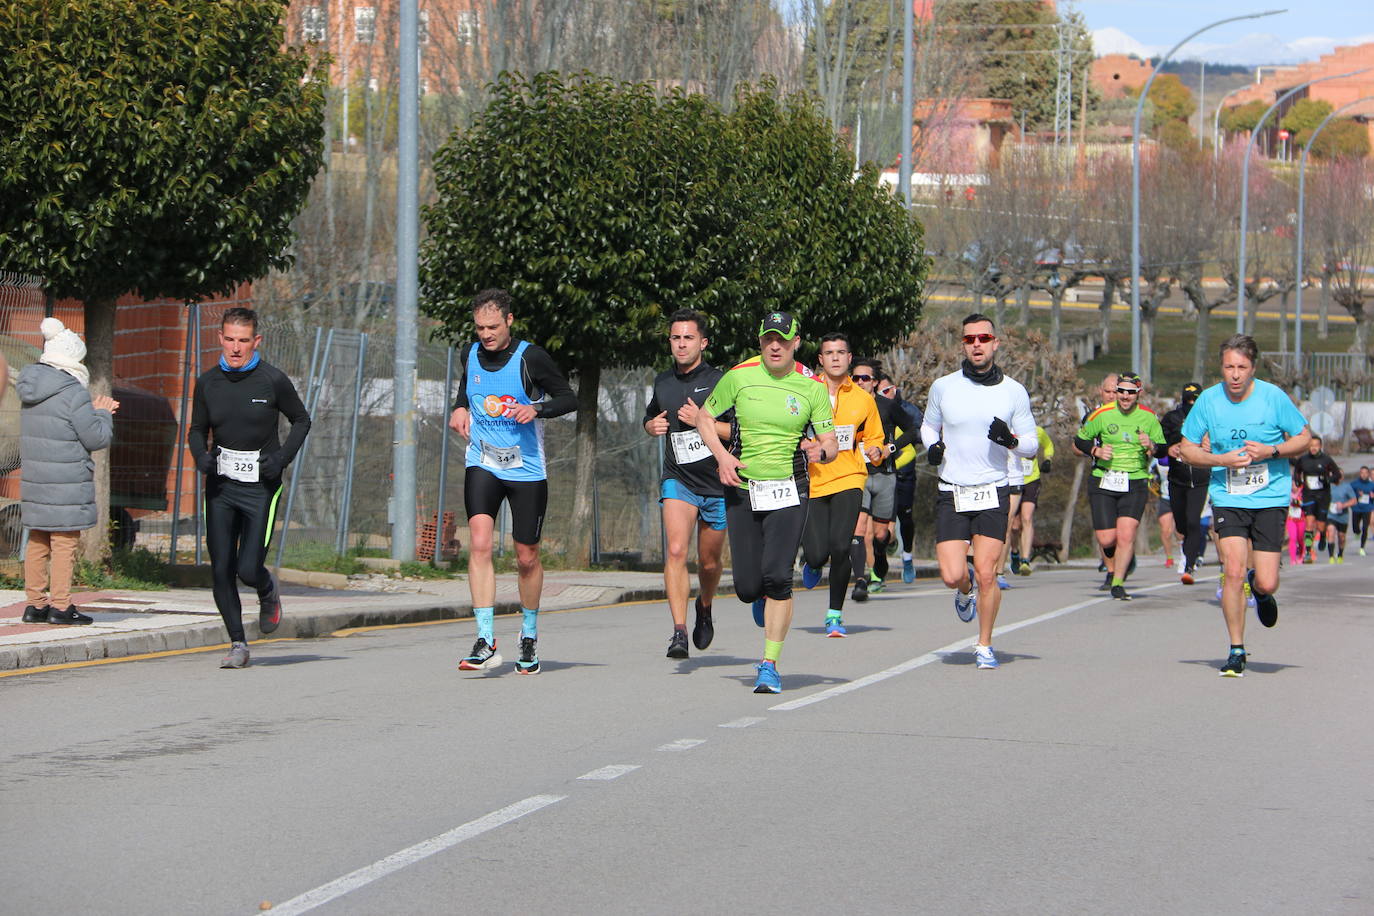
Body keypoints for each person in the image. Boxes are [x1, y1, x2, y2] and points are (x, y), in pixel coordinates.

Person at [696, 311, 837, 693]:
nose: (775, 346)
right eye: (768, 339)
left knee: (778, 577)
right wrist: (722, 457)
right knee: (745, 586)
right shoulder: (739, 377)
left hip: (791, 488)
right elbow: (705, 418)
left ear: (796, 342)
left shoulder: (812, 387)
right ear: (760, 342)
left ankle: (769, 664)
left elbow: (831, 443)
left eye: (783, 339)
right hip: (742, 486)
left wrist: (820, 453)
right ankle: (758, 594)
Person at [448, 289, 578, 675]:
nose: (485, 334)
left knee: (526, 557)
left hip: (526, 470)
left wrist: (535, 408)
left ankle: (529, 635)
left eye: (492, 326)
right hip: (483, 462)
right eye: (479, 327)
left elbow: (568, 398)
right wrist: (458, 408)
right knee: (481, 542)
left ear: (509, 321)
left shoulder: (530, 357)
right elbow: (465, 389)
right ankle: (485, 639)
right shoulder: (469, 353)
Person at [1179, 334, 1310, 677]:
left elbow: (1304, 437)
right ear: (1221, 368)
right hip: (1228, 496)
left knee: (1266, 582)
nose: (1235, 375)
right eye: (1228, 367)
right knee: (1232, 571)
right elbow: (1187, 448)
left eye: (1241, 367)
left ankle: (1262, 590)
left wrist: (1271, 451)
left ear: (1253, 368)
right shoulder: (1208, 401)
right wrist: (1219, 458)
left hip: (1270, 497)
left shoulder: (1272, 398)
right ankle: (1236, 648)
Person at [189, 307, 311, 668]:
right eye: (230, 339)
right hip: (222, 487)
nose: (236, 348)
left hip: (261, 486)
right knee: (221, 567)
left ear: (256, 341)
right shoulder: (208, 382)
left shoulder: (272, 380)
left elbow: (301, 420)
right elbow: (197, 429)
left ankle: (266, 587)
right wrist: (201, 456)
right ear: (220, 338)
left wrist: (282, 458)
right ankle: (238, 644)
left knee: (246, 568)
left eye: (244, 341)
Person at [920, 313, 1036, 669]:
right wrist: (933, 448)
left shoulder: (1013, 391)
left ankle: (984, 644)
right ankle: (963, 591)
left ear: (995, 343)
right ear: (963, 344)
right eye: (969, 339)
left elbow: (1030, 445)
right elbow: (928, 426)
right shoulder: (944, 386)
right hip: (952, 489)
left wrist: (1011, 441)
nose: (976, 345)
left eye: (983, 338)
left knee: (987, 572)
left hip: (992, 489)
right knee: (952, 574)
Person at [18, 318, 118, 626]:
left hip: (36, 480)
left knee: (37, 539)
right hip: (66, 481)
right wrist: (103, 412)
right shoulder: (73, 393)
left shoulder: (31, 389)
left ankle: (35, 604)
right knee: (63, 542)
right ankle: (61, 607)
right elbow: (95, 438)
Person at [643, 309, 727, 658]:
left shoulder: (722, 381)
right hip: (678, 479)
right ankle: (678, 632)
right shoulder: (663, 382)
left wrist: (703, 422)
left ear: (703, 342)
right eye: (676, 338)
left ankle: (704, 605)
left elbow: (738, 431)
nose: (681, 344)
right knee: (676, 551)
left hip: (718, 482)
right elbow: (651, 415)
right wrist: (650, 426)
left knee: (708, 563)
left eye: (688, 337)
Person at [797, 336, 882, 634]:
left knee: (841, 545)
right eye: (829, 353)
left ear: (849, 358)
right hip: (813, 480)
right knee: (819, 553)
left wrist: (876, 451)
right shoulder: (805, 392)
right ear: (820, 359)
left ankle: (834, 614)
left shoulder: (863, 399)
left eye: (841, 353)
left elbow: (876, 439)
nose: (835, 358)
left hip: (849, 477)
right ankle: (811, 562)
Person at [1074, 372, 1164, 601]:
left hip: (1135, 480)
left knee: (1126, 535)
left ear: (1138, 394)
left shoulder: (1149, 417)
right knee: (1106, 539)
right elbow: (1080, 440)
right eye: (1120, 391)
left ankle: (1117, 582)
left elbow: (1163, 449)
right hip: (1104, 478)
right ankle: (1119, 559)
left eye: (1130, 392)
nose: (1124, 396)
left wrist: (1151, 445)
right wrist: (1095, 451)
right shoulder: (1101, 415)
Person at [849, 359, 918, 598]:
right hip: (857, 476)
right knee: (860, 530)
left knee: (879, 535)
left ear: (875, 383)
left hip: (885, 475)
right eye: (855, 378)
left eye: (865, 378)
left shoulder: (886, 406)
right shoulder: (844, 406)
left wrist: (891, 448)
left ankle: (881, 555)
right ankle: (861, 580)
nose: (859, 382)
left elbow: (912, 429)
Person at [1161, 382, 1210, 584]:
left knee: (1193, 521)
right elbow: (1158, 445)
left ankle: (1190, 565)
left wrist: (1211, 445)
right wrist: (1168, 449)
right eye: (1188, 400)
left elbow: (1224, 444)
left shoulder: (1209, 419)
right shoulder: (1172, 418)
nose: (1192, 403)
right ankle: (1187, 549)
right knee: (1181, 524)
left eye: (1195, 400)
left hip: (1199, 479)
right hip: (1177, 479)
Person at [878, 371, 923, 583]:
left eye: (889, 390)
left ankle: (907, 556)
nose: (887, 394)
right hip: (880, 475)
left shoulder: (908, 411)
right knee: (880, 523)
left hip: (903, 474)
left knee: (904, 517)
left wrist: (892, 460)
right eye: (881, 392)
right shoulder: (871, 410)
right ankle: (876, 572)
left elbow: (915, 439)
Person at [1009, 425, 1053, 576]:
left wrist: (1048, 459)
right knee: (1014, 526)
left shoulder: (1037, 431)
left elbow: (1048, 445)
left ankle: (1025, 559)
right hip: (1013, 479)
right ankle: (1015, 552)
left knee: (1027, 518)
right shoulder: (1009, 430)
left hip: (1031, 479)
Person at [1293, 436, 1339, 563]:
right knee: (1309, 522)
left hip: (1323, 495)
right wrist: (1297, 480)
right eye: (1311, 445)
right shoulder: (1303, 459)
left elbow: (1337, 475)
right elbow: (1297, 471)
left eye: (1316, 445)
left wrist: (1328, 479)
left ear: (1320, 446)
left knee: (1320, 525)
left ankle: (1323, 535)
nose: (1313, 448)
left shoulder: (1326, 460)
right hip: (1309, 494)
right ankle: (1308, 551)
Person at [1324, 469, 1355, 563]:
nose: (1338, 477)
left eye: (1340, 475)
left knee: (1341, 537)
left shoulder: (1347, 487)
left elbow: (1354, 500)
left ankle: (1340, 554)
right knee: (1331, 531)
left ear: (1342, 477)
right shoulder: (1329, 486)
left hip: (1343, 516)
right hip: (1331, 515)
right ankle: (1331, 556)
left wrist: (1343, 505)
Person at [1350, 466, 1374, 556]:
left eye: (1365, 473)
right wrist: (1356, 494)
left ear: (1368, 474)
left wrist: (1373, 496)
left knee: (1365, 527)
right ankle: (1357, 532)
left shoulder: (1372, 485)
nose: (1364, 475)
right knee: (1355, 527)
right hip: (1356, 508)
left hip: (1367, 508)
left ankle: (1362, 548)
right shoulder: (1354, 484)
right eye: (1362, 473)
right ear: (1359, 474)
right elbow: (1349, 494)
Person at [1284, 480, 1306, 567]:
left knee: (1300, 538)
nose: (1293, 487)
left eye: (1295, 485)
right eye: (1292, 485)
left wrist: (1299, 502)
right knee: (1293, 538)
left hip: (1301, 519)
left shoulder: (1303, 493)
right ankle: (1293, 559)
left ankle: (1301, 555)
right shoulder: (1287, 494)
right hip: (1291, 519)